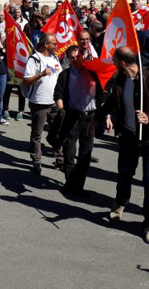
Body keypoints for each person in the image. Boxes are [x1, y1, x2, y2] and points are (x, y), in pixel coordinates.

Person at [102, 47, 149, 243]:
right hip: (128, 137)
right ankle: (120, 203)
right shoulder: (120, 80)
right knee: (124, 174)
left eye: (115, 61)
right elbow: (113, 101)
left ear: (122, 63)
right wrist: (100, 115)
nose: (113, 64)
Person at [53, 45, 105, 195]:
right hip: (72, 118)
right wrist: (62, 111)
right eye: (72, 58)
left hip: (90, 119)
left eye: (78, 57)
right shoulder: (65, 75)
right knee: (69, 153)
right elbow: (58, 94)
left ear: (84, 57)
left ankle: (78, 186)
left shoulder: (93, 74)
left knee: (85, 155)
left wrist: (104, 115)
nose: (75, 60)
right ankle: (70, 184)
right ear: (68, 59)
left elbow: (101, 95)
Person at [21, 33, 62, 174]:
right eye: (54, 44)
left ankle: (59, 158)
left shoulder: (55, 58)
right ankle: (36, 161)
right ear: (46, 44)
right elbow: (26, 80)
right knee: (37, 134)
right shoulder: (35, 59)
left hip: (55, 102)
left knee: (57, 132)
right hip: (39, 102)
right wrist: (41, 74)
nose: (56, 46)